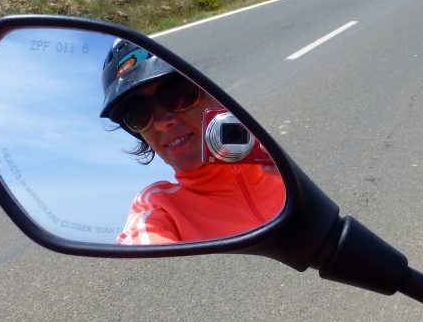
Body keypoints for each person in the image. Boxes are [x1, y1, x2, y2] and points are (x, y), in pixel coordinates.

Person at [99, 39, 285, 245]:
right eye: (138, 115)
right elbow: (143, 243)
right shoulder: (158, 208)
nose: (161, 123)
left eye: (178, 95)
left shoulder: (278, 166)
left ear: (216, 97)